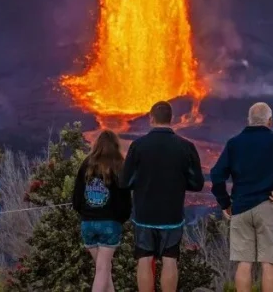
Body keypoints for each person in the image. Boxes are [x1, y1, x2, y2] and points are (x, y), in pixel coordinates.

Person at [210, 102, 273, 292]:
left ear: (248, 121)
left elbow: (217, 174)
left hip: (241, 207)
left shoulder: (234, 143)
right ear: (270, 121)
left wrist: (225, 202)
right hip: (268, 205)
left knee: (244, 263)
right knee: (269, 263)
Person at [120, 101, 204, 292]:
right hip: (172, 214)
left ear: (151, 119)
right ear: (171, 119)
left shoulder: (138, 146)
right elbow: (197, 183)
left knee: (144, 259)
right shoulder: (186, 146)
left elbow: (124, 182)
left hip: (144, 215)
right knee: (170, 259)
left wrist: (141, 184)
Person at [72, 130, 132, 292]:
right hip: (109, 224)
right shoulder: (119, 165)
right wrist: (121, 218)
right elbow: (124, 199)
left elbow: (77, 197)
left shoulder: (87, 164)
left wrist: (84, 213)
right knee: (103, 269)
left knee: (104, 269)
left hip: (88, 224)